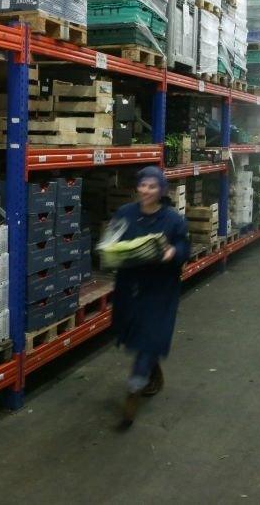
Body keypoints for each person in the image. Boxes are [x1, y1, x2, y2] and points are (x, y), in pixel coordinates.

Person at [110, 165, 190, 428]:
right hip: (130, 286)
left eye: (152, 186)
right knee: (132, 333)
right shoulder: (125, 213)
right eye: (143, 185)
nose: (146, 190)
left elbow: (183, 247)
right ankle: (153, 372)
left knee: (150, 335)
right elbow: (112, 240)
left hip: (160, 288)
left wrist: (172, 253)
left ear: (162, 190)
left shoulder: (173, 220)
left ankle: (133, 391)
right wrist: (111, 250)